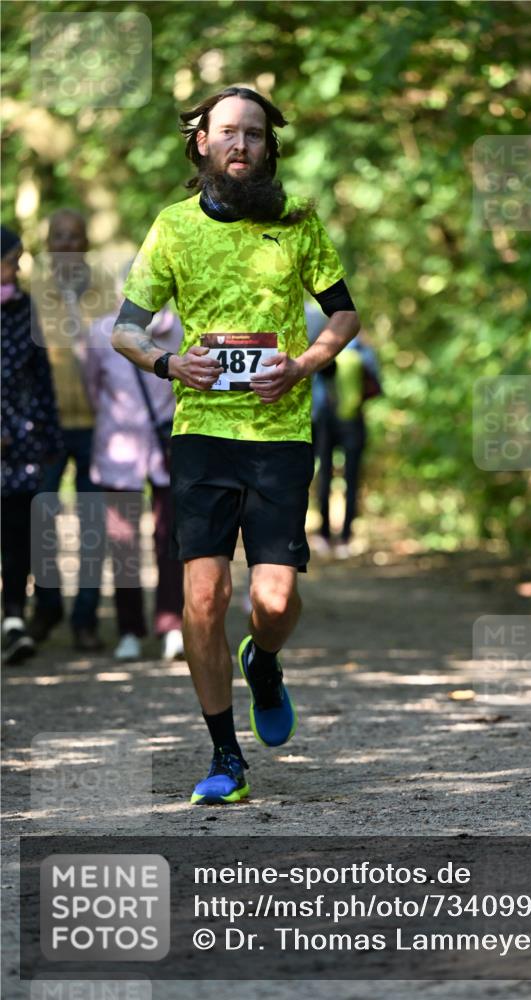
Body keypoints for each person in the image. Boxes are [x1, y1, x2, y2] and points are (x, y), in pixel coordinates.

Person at [112, 86, 360, 805]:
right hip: (200, 434)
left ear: (267, 147)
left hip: (279, 436)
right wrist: (167, 363)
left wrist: (305, 363)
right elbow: (125, 329)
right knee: (202, 594)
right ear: (203, 144)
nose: (241, 144)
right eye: (228, 132)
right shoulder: (172, 228)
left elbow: (343, 315)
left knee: (273, 601)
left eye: (254, 134)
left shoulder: (298, 223)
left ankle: (266, 660)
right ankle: (225, 756)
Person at [30, 210, 114, 652]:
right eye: (58, 237)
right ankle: (45, 611)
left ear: (85, 244)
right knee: (40, 520)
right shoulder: (29, 292)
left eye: (74, 237)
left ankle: (84, 620)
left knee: (92, 526)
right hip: (45, 428)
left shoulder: (106, 292)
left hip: (98, 426)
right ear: (48, 245)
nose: (66, 244)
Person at [86, 302, 185, 662]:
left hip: (168, 447)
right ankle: (129, 629)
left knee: (171, 539)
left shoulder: (182, 329)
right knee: (123, 543)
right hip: (119, 450)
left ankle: (172, 626)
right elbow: (93, 388)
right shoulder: (101, 331)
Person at [1, 225, 63, 664]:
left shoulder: (25, 308)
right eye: (13, 258)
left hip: (22, 442)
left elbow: (40, 377)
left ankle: (14, 618)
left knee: (21, 529)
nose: (19, 266)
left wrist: (49, 437)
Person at [306, 302, 381, 557]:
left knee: (338, 476)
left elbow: (374, 384)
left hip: (338, 419)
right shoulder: (358, 350)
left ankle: (336, 535)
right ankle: (335, 535)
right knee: (338, 476)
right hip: (339, 419)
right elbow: (375, 385)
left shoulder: (352, 349)